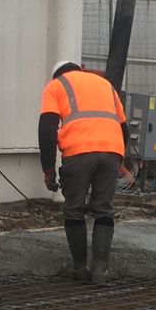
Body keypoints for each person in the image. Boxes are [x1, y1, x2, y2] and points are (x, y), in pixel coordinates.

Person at [38, 59, 129, 285]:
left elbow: (47, 128)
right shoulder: (105, 84)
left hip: (78, 152)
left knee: (74, 209)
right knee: (103, 210)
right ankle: (100, 270)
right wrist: (117, 157)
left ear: (57, 75)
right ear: (79, 70)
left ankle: (79, 268)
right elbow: (124, 128)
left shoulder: (56, 86)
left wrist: (48, 171)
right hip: (112, 152)